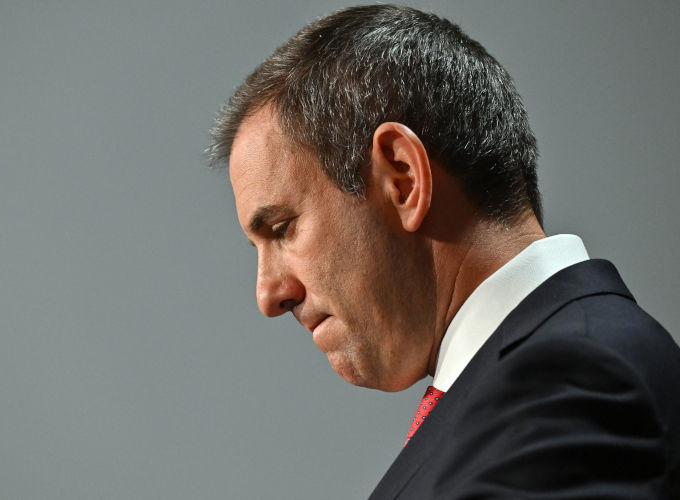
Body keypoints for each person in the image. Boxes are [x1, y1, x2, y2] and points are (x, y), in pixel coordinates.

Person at [208, 4, 680, 498]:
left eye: (282, 229)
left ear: (404, 179)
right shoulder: (543, 379)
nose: (268, 295)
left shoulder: (575, 380)